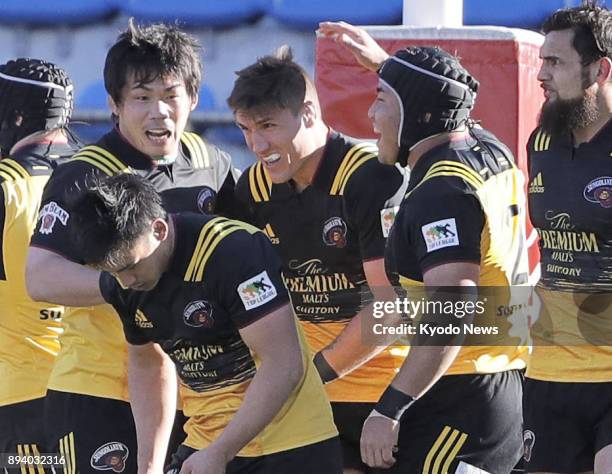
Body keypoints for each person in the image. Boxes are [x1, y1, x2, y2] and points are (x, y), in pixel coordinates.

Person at [25, 20, 240, 472]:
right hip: (98, 390)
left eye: (170, 94)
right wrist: (126, 286)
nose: (158, 111)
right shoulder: (83, 174)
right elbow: (40, 276)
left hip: (194, 395)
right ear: (115, 105)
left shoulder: (212, 164)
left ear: (194, 99)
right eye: (142, 98)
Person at [320, 22, 529, 473]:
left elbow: (452, 309)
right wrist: (389, 68)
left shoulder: (442, 193)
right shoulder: (490, 150)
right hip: (493, 387)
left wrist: (389, 407)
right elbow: (450, 106)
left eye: (381, 99)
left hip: (459, 399)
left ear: (414, 113)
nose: (370, 117)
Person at [69, 172, 341, 474]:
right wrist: (149, 467)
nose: (126, 282)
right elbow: (149, 367)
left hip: (289, 447)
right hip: (204, 446)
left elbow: (284, 364)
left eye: (131, 267)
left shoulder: (234, 252)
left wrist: (221, 452)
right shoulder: (123, 280)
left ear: (158, 229)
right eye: (113, 272)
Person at [229, 47, 408, 473]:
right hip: (305, 399)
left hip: (379, 398)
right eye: (245, 129)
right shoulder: (252, 189)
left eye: (268, 126)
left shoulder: (369, 178)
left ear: (308, 113)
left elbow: (393, 309)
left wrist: (311, 374)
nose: (257, 145)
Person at [522, 3, 612, 473]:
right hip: (550, 372)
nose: (541, 74)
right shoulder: (541, 142)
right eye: (541, 60)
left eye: (555, 62)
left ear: (600, 69)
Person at [0, 58, 78, 461]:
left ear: (14, 117)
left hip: (20, 397)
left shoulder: (6, 187)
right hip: (96, 392)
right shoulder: (99, 175)